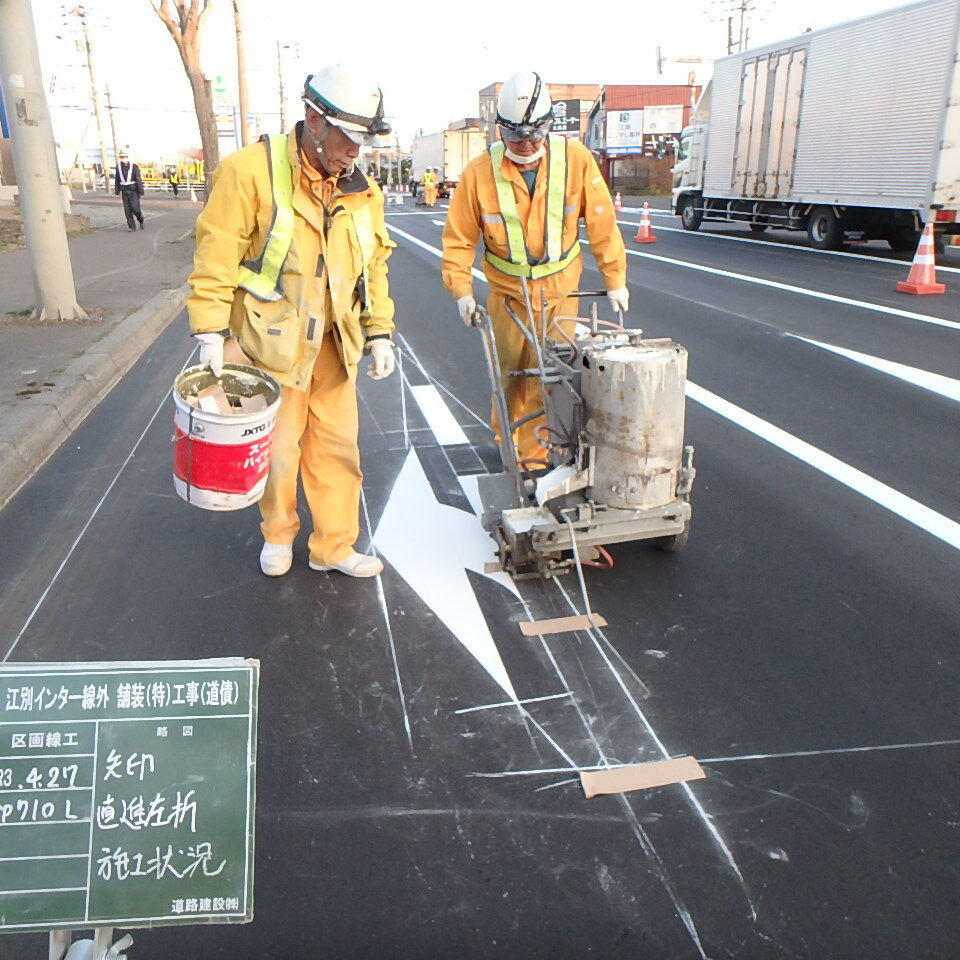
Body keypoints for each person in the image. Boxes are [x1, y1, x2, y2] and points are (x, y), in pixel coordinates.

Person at [187, 64, 397, 579]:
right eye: (349, 137)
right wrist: (210, 330)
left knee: (337, 452)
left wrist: (379, 331)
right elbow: (216, 253)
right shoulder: (249, 172)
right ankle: (278, 535)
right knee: (279, 453)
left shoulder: (362, 191)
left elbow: (373, 268)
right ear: (313, 120)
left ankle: (334, 547)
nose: (356, 151)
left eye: (362, 140)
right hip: (270, 345)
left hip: (335, 346)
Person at [441, 71, 628, 463]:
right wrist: (461, 291)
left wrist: (615, 280)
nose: (525, 146)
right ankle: (516, 455)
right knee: (512, 379)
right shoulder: (479, 172)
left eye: (533, 137)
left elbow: (600, 221)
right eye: (515, 138)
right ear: (501, 131)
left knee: (558, 377)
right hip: (509, 296)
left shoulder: (575, 159)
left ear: (547, 128)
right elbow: (459, 238)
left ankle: (555, 449)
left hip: (560, 294)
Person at [114, 151, 144, 231]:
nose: (123, 159)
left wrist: (140, 190)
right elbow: (117, 179)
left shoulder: (134, 166)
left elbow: (138, 179)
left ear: (127, 157)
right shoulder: (118, 167)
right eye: (121, 157)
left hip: (133, 190)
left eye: (124, 157)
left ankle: (140, 220)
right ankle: (131, 226)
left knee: (136, 209)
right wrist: (117, 190)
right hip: (124, 190)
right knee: (127, 210)